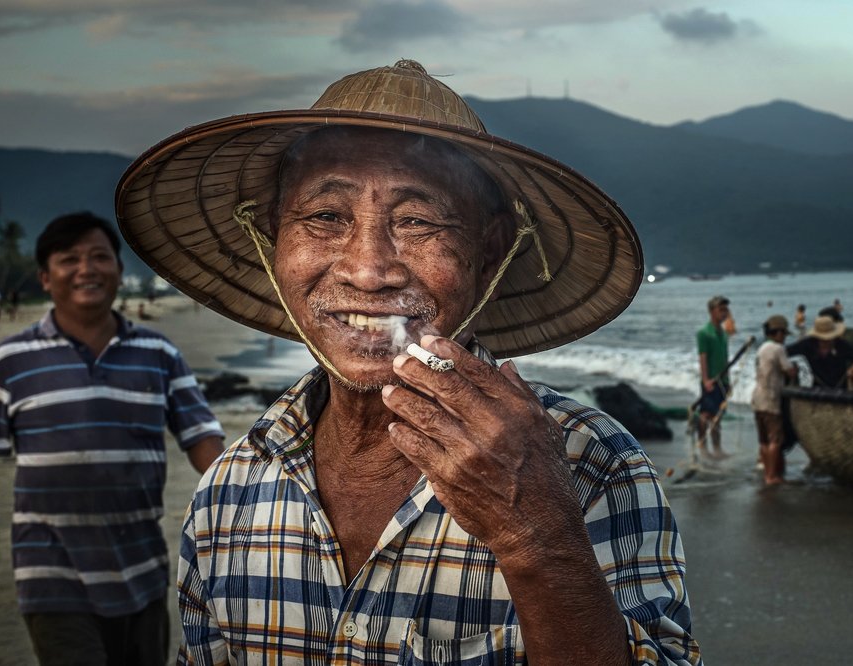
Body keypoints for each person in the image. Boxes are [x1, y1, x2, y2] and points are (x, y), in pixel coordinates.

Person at [115, 60, 700, 665]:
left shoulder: (591, 465)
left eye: (418, 221)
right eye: (325, 217)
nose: (368, 269)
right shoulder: (227, 492)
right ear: (274, 238)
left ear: (489, 251)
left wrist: (540, 538)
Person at [0, 212, 225, 665]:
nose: (87, 269)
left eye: (100, 256)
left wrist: (252, 500)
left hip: (142, 570)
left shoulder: (159, 355)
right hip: (52, 574)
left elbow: (202, 441)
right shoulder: (7, 361)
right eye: (69, 259)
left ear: (118, 271)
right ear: (45, 277)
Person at [751, 315, 798, 485]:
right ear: (777, 332)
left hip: (757, 397)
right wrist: (795, 369)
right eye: (784, 333)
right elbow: (789, 370)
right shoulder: (778, 349)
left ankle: (767, 473)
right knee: (775, 440)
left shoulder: (762, 348)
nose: (785, 337)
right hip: (771, 399)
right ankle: (771, 476)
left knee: (763, 440)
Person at [696, 295, 732, 459]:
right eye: (721, 310)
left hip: (723, 380)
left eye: (726, 310)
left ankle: (717, 448)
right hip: (710, 380)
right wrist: (705, 380)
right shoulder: (704, 333)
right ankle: (702, 446)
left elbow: (724, 357)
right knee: (705, 414)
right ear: (712, 311)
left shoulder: (723, 333)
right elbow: (703, 357)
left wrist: (728, 381)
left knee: (717, 416)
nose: (724, 313)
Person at [786, 315, 853, 389]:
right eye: (822, 339)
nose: (826, 341)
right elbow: (785, 353)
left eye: (829, 338)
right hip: (816, 389)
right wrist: (791, 366)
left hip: (841, 388)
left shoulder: (841, 345)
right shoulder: (808, 344)